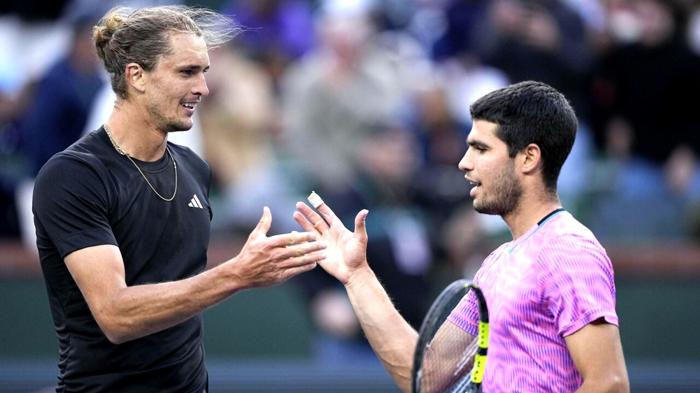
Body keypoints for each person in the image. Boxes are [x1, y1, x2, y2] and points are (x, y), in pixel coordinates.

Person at [31, 6, 326, 392]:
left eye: (204, 71)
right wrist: (237, 274)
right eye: (187, 72)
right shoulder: (74, 176)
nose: (203, 88)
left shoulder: (193, 168)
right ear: (136, 76)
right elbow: (116, 314)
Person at [294, 81, 630, 392]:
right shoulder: (496, 264)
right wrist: (357, 276)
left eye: (480, 149)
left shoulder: (568, 249)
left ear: (528, 158)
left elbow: (609, 383)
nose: (464, 163)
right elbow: (426, 376)